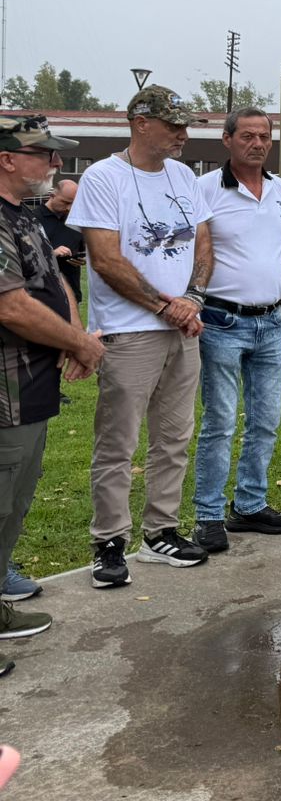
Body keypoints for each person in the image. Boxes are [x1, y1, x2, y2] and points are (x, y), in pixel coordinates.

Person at [68, 85, 214, 586]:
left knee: (174, 438)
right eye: (173, 125)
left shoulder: (183, 176)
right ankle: (108, 542)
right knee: (118, 442)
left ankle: (161, 532)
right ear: (140, 122)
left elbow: (203, 241)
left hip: (184, 326)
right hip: (130, 331)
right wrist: (163, 305)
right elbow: (106, 260)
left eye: (184, 125)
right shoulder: (103, 177)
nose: (182, 134)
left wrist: (192, 298)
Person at [0, 116, 103, 664]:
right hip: (5, 390)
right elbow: (10, 305)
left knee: (13, 501)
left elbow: (52, 282)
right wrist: (81, 345)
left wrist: (73, 332)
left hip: (29, 387)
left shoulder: (27, 216)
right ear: (7, 158)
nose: (56, 163)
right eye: (44, 153)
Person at [191, 108, 281, 553]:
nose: (257, 143)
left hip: (271, 321)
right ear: (227, 139)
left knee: (266, 422)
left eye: (264, 137)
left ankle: (250, 505)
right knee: (219, 422)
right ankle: (208, 516)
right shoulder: (203, 190)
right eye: (248, 136)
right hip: (221, 321)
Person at [35, 180, 84, 303]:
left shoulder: (76, 221)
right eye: (65, 202)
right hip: (42, 294)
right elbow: (22, 257)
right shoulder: (32, 219)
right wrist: (52, 253)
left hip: (72, 292)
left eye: (73, 204)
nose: (69, 208)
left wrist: (83, 258)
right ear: (52, 196)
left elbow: (82, 248)